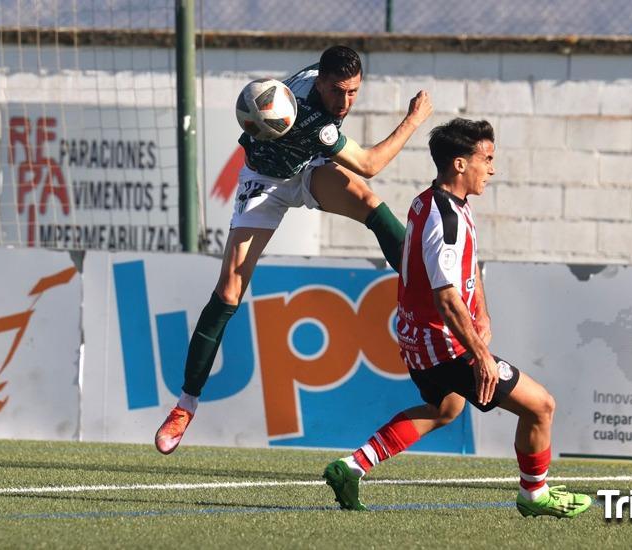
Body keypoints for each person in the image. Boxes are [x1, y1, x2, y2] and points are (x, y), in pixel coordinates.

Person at [154, 45, 434, 454]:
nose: (346, 101)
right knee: (229, 289)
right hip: (265, 181)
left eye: (354, 92)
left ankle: (427, 292)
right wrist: (414, 119)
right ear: (319, 81)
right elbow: (371, 162)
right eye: (338, 91)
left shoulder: (314, 84)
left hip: (308, 168)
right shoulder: (311, 118)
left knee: (371, 206)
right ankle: (185, 405)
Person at [322, 118, 592, 519]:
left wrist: (481, 309)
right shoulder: (445, 221)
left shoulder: (429, 201)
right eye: (487, 158)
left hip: (419, 343)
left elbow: (465, 271)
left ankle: (353, 465)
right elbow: (446, 296)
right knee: (541, 407)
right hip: (445, 346)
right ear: (460, 164)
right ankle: (534, 494)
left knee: (444, 409)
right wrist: (481, 354)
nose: (492, 168)